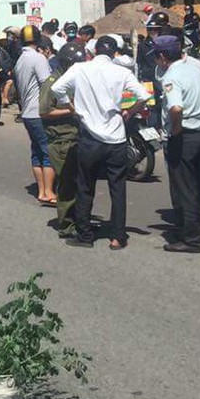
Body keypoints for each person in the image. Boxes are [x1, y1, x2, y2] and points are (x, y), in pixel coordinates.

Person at [52, 35, 151, 249]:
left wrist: (72, 108)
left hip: (89, 138)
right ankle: (117, 236)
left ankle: (85, 235)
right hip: (116, 139)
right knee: (118, 188)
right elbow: (143, 95)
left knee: (85, 186)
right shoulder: (122, 72)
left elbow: (56, 89)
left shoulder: (80, 69)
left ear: (94, 50)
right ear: (115, 53)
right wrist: (130, 112)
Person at [152, 35, 200, 253]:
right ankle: (196, 229)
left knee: (185, 189)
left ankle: (192, 239)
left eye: (156, 56)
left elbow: (176, 108)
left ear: (162, 57)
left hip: (185, 138)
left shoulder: (171, 77)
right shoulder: (192, 68)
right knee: (198, 184)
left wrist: (176, 129)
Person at [40, 41, 88, 239]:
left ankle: (80, 219)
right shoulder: (53, 82)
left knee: (79, 183)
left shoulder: (73, 80)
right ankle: (67, 224)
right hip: (61, 140)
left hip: (77, 138)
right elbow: (44, 111)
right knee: (67, 184)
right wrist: (70, 110)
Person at [13, 25, 57, 206]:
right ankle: (48, 192)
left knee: (37, 152)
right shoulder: (38, 58)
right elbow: (47, 86)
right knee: (48, 152)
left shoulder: (20, 60)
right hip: (39, 112)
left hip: (27, 113)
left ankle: (41, 190)